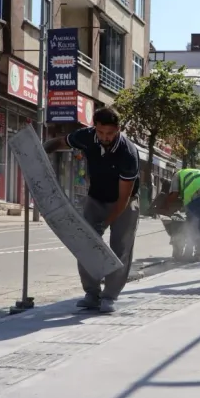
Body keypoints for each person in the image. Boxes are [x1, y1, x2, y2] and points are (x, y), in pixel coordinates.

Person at [44, 107, 140, 313]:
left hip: (125, 201)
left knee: (120, 247)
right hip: (96, 197)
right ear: (94, 127)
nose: (106, 137)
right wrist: (43, 150)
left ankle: (109, 296)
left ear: (118, 130)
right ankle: (91, 293)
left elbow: (122, 199)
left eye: (110, 133)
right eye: (101, 132)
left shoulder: (128, 154)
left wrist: (105, 223)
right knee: (85, 242)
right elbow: (61, 142)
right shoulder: (85, 136)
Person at [164, 168, 200, 261]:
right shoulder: (194, 172)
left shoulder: (177, 175)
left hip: (197, 195)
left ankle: (188, 254)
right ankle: (198, 255)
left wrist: (165, 205)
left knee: (191, 226)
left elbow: (174, 194)